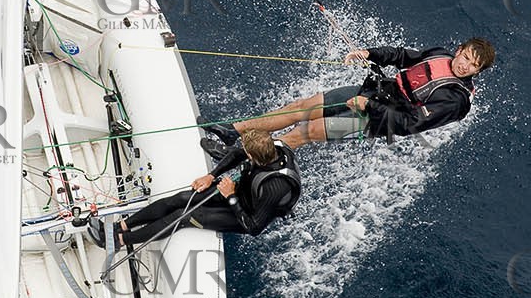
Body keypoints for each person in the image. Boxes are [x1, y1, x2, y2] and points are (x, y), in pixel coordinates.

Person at [202, 38, 495, 152]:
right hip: (377, 91)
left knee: (308, 130)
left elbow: (408, 125)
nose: (464, 65)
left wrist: (369, 106)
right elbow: (402, 55)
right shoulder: (441, 54)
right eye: (465, 57)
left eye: (472, 65)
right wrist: (369, 53)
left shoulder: (455, 101)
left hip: (379, 120)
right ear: (459, 50)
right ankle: (233, 131)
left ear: (477, 71)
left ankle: (235, 155)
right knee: (303, 106)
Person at [87, 128, 301, 250]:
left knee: (183, 216)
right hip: (238, 192)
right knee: (180, 198)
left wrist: (232, 197)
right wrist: (211, 176)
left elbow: (254, 228)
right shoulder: (271, 147)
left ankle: (119, 241)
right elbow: (237, 155)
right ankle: (121, 226)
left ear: (255, 157)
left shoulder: (276, 187)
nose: (243, 152)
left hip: (245, 214)